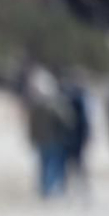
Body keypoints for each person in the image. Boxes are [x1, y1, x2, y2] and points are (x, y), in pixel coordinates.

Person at [24, 68, 72, 199]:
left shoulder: (36, 106)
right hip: (53, 140)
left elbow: (31, 125)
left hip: (41, 140)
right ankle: (48, 189)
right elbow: (67, 120)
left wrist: (31, 138)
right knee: (51, 165)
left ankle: (44, 188)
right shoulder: (54, 105)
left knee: (43, 165)